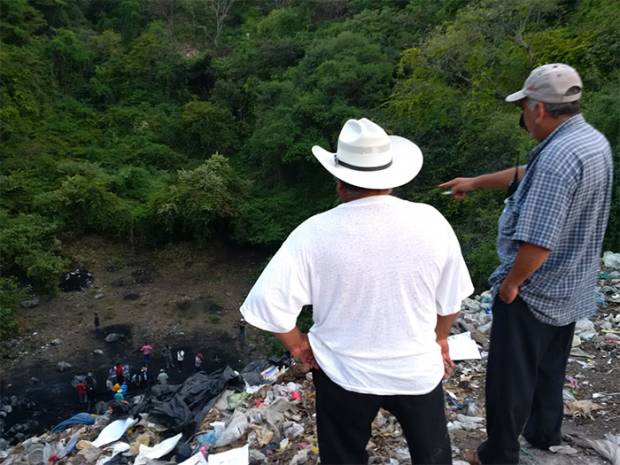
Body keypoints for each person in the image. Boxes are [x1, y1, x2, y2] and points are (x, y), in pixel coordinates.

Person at [241, 118, 474, 465]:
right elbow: (451, 300)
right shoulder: (431, 221)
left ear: (339, 183)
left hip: (342, 373)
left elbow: (267, 304)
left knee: (344, 458)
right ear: (392, 179)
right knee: (432, 456)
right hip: (415, 370)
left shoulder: (313, 232)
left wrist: (299, 347)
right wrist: (440, 339)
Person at [440, 64, 613, 465]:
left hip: (536, 288)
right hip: (573, 283)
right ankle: (544, 431)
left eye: (524, 110)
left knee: (509, 379)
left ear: (537, 109)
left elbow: (538, 241)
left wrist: (512, 284)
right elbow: (528, 174)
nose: (523, 119)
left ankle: (498, 453)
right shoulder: (590, 141)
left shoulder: (557, 159)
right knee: (550, 366)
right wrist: (476, 181)